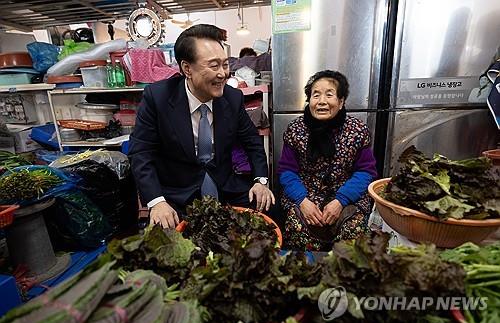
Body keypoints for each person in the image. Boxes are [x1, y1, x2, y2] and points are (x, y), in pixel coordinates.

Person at [129, 24, 275, 229]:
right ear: (187, 68)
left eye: (225, 64)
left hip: (225, 186)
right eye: (214, 66)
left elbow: (253, 142)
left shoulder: (232, 98)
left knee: (266, 214)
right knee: (165, 239)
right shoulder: (158, 98)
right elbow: (141, 152)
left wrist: (261, 181)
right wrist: (156, 201)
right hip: (177, 193)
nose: (223, 74)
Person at [277, 70, 377, 250]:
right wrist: (303, 200)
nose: (321, 101)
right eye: (316, 95)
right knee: (297, 232)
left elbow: (365, 172)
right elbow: (287, 171)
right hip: (305, 197)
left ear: (341, 101)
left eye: (329, 95)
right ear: (309, 100)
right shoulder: (296, 129)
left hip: (347, 197)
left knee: (352, 238)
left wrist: (341, 200)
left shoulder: (357, 131)